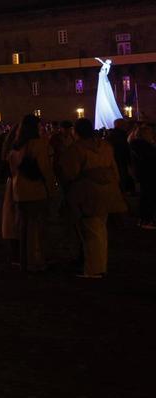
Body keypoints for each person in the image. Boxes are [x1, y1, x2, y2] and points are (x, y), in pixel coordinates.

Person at [59, 118, 127, 278]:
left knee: (91, 232)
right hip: (107, 190)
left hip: (88, 192)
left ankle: (94, 269)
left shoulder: (77, 149)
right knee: (100, 230)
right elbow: (114, 169)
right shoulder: (105, 146)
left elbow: (70, 173)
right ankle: (99, 265)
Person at [7, 115, 56, 272]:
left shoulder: (15, 146)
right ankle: (36, 261)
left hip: (18, 191)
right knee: (37, 228)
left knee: (23, 228)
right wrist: (52, 190)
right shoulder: (38, 145)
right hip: (35, 190)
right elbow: (45, 170)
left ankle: (24, 261)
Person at [131, 124, 156, 229]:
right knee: (148, 197)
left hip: (145, 174)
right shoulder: (143, 146)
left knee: (146, 196)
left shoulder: (137, 145)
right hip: (148, 174)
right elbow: (150, 159)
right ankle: (146, 219)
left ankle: (145, 219)